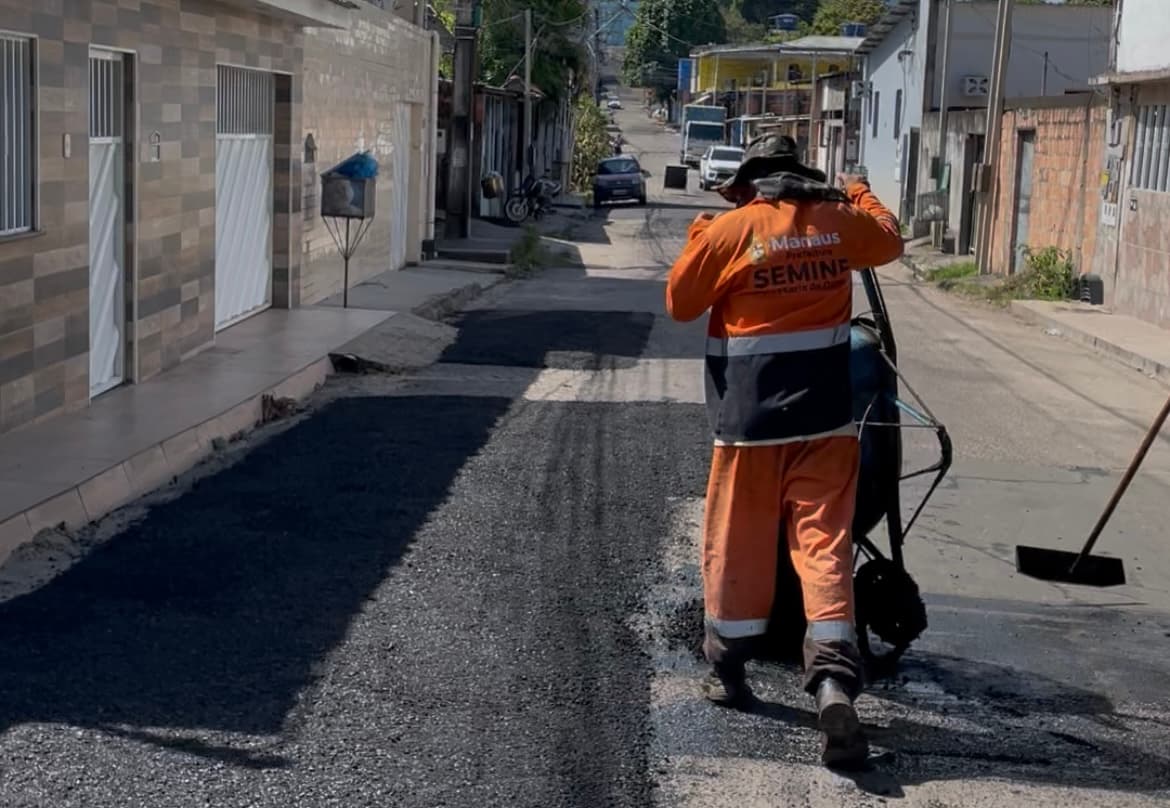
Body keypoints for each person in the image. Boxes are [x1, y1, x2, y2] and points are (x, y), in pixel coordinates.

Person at [664, 134, 904, 769]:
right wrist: (855, 190)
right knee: (824, 545)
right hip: (826, 421)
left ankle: (728, 671)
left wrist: (700, 236)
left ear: (752, 184)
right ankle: (831, 684)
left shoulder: (731, 231)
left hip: (750, 423)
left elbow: (681, 303)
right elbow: (888, 238)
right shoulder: (838, 223)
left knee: (737, 544)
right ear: (804, 177)